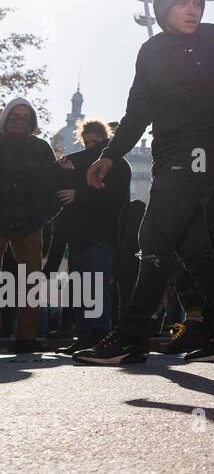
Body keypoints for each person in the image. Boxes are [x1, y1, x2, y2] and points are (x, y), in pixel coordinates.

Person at [74, 0, 214, 365]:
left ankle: (131, 335)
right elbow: (137, 114)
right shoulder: (150, 53)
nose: (193, 10)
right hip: (167, 155)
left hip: (202, 151)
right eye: (183, 3)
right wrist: (109, 156)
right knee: (193, 248)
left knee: (153, 235)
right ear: (164, 6)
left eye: (198, 3)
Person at [0, 98, 74, 354]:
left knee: (31, 281)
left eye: (25, 116)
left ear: (32, 122)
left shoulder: (41, 148)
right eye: (14, 115)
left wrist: (44, 215)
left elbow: (54, 183)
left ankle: (27, 336)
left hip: (30, 223)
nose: (19, 119)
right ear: (6, 117)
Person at [55, 119, 130, 352]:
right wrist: (69, 173)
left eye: (94, 142)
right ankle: (85, 335)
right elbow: (66, 196)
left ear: (105, 140)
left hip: (101, 235)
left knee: (96, 287)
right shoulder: (80, 163)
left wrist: (80, 195)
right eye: (86, 142)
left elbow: (114, 199)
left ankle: (98, 335)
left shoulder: (118, 164)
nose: (89, 146)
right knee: (80, 287)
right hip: (78, 235)